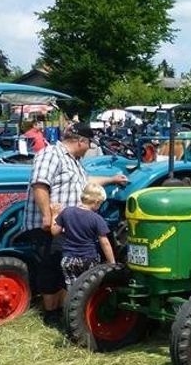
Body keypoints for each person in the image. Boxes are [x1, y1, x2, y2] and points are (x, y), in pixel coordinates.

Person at [23, 125, 127, 326]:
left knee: (63, 267)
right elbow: (40, 184)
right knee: (50, 267)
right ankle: (50, 313)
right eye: (88, 144)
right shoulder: (51, 154)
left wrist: (112, 179)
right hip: (49, 225)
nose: (88, 149)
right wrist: (47, 216)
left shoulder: (75, 162)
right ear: (81, 141)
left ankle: (63, 309)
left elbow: (85, 181)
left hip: (65, 226)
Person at [51, 182, 115, 289]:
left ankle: (71, 305)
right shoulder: (97, 219)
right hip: (88, 258)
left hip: (68, 258)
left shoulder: (67, 212)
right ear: (97, 202)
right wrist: (111, 263)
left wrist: (54, 214)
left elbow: (54, 231)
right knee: (89, 289)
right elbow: (105, 243)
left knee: (73, 290)